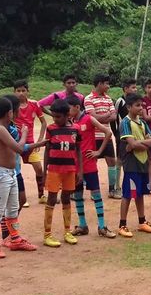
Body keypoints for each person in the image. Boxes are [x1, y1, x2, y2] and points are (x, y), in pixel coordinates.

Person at [0, 97, 38, 259]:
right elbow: (19, 148)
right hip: (0, 174)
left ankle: (14, 238)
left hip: (8, 173)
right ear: (9, 113)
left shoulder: (1, 127)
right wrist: (25, 134)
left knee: (12, 208)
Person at [67, 95, 116, 239]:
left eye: (69, 108)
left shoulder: (88, 119)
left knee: (96, 194)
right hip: (75, 165)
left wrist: (98, 152)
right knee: (77, 195)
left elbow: (108, 132)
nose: (67, 111)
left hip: (89, 164)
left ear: (77, 107)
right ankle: (82, 225)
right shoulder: (70, 122)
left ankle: (102, 226)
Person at [43, 99, 85, 247]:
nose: (55, 119)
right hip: (54, 170)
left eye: (58, 116)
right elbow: (47, 150)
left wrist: (80, 170)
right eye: (53, 116)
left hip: (70, 170)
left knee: (66, 198)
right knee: (52, 199)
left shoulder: (76, 129)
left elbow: (78, 150)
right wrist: (44, 171)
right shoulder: (51, 129)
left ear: (67, 115)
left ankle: (67, 231)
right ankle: (47, 234)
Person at [118, 93, 151, 237]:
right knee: (128, 194)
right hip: (131, 163)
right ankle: (122, 225)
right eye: (137, 105)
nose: (141, 108)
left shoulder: (143, 123)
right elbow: (132, 144)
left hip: (143, 162)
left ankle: (142, 222)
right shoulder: (125, 122)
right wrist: (141, 144)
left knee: (139, 193)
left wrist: (139, 144)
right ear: (129, 107)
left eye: (141, 105)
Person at [84, 74, 119, 199]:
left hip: (106, 135)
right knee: (91, 163)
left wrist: (100, 118)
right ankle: (94, 190)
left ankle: (112, 189)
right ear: (99, 83)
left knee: (111, 162)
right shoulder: (88, 98)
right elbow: (92, 117)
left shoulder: (108, 98)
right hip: (93, 136)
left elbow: (114, 117)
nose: (108, 86)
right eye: (106, 84)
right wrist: (106, 116)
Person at [13, 79, 47, 207]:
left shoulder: (34, 105)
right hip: (15, 143)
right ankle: (21, 197)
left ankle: (41, 194)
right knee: (17, 170)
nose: (21, 93)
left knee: (39, 168)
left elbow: (44, 122)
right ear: (14, 92)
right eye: (18, 91)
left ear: (28, 92)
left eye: (23, 90)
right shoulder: (12, 105)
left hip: (31, 143)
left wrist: (39, 139)